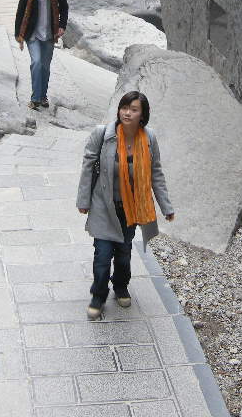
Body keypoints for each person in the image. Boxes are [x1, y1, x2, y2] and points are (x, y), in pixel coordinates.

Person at [76, 91, 176, 320]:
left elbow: (156, 173)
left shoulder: (149, 138)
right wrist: (83, 201)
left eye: (133, 109)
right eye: (124, 107)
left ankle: (120, 286)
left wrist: (166, 206)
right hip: (103, 205)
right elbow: (88, 167)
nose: (127, 112)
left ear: (143, 115)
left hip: (130, 207)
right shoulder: (103, 134)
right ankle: (98, 296)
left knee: (123, 253)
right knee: (102, 254)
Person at [14, 0, 68, 110]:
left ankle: (43, 96)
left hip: (50, 33)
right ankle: (35, 98)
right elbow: (20, 10)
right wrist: (18, 33)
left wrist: (62, 25)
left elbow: (64, 7)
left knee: (45, 66)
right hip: (33, 33)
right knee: (36, 63)